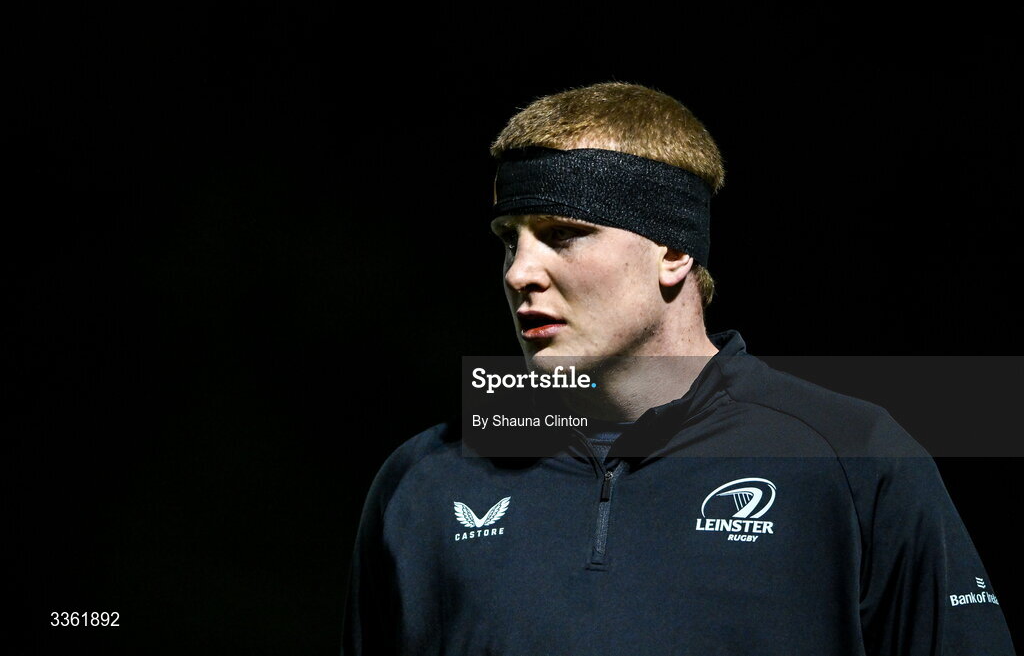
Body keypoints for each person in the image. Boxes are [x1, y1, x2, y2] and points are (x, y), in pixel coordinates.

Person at [342, 82, 1015, 655]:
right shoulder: (424, 478)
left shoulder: (854, 457)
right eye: (507, 240)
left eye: (563, 233)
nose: (520, 272)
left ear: (672, 251)